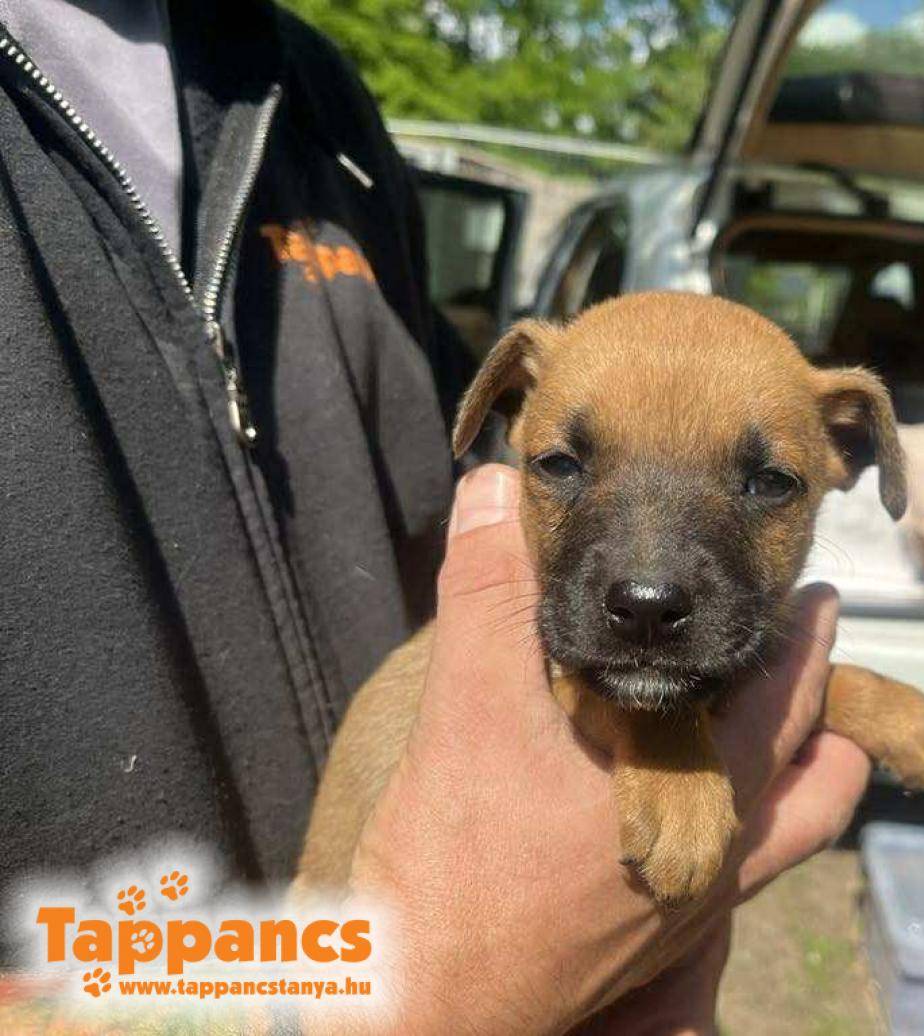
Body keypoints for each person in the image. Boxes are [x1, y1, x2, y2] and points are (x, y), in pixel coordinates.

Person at [0, 0, 870, 1024]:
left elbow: (490, 416)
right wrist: (429, 1001)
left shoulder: (307, 92)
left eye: (764, 485)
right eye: (564, 466)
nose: (648, 577)